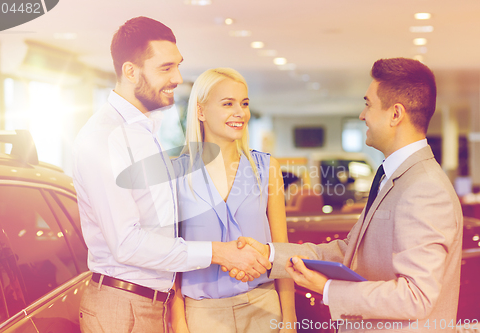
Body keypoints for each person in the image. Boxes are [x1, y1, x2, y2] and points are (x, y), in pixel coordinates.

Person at [72, 17, 270, 333]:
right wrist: (219, 252)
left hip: (152, 305)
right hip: (124, 309)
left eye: (178, 66)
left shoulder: (146, 133)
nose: (177, 78)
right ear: (130, 72)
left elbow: (163, 229)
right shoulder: (105, 138)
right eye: (165, 68)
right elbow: (127, 243)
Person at [236, 58, 463, 332]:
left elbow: (416, 297)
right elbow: (348, 251)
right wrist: (270, 253)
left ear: (395, 114)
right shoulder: (397, 177)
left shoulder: (424, 188)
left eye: (368, 104)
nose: (362, 115)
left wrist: (329, 288)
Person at [169, 68, 297, 333]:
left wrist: (289, 318)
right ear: (201, 112)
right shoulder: (176, 173)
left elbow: (281, 250)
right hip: (202, 315)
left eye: (244, 103)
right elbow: (171, 256)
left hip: (263, 306)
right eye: (228, 104)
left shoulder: (267, 168)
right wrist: (178, 320)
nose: (240, 112)